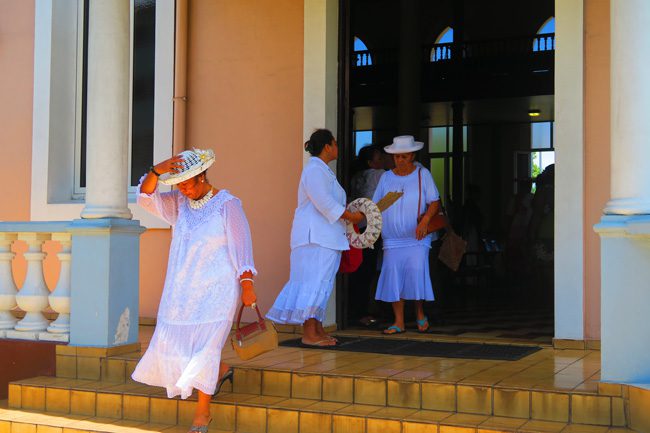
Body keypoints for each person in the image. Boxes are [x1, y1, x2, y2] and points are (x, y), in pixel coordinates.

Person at [131, 149, 258, 433]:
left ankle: (203, 413)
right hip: (181, 291)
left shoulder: (228, 205)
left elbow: (242, 247)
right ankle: (221, 371)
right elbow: (144, 197)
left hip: (217, 290)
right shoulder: (179, 203)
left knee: (206, 348)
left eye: (188, 183)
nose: (184, 190)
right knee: (177, 346)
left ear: (202, 176)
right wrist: (157, 170)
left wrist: (247, 284)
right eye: (179, 185)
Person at [267, 129, 364, 346]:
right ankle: (309, 333)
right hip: (315, 238)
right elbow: (324, 203)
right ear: (328, 146)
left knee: (322, 283)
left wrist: (349, 215)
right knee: (314, 282)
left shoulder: (323, 171)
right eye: (335, 143)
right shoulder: (314, 170)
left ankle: (317, 329)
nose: (338, 148)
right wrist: (352, 216)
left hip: (326, 236)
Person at [372, 135, 440, 334]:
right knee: (393, 276)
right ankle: (398, 321)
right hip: (392, 238)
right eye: (396, 157)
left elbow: (434, 201)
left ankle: (420, 314)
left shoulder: (422, 174)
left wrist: (426, 221)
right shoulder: (386, 177)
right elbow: (377, 205)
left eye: (403, 157)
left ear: (411, 156)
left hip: (417, 237)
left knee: (416, 273)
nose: (399, 161)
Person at [349, 144, 386, 326]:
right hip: (372, 228)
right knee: (369, 270)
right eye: (379, 159)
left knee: (359, 270)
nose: (383, 161)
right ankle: (364, 312)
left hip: (357, 226)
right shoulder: (380, 175)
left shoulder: (356, 177)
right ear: (371, 163)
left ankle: (358, 310)